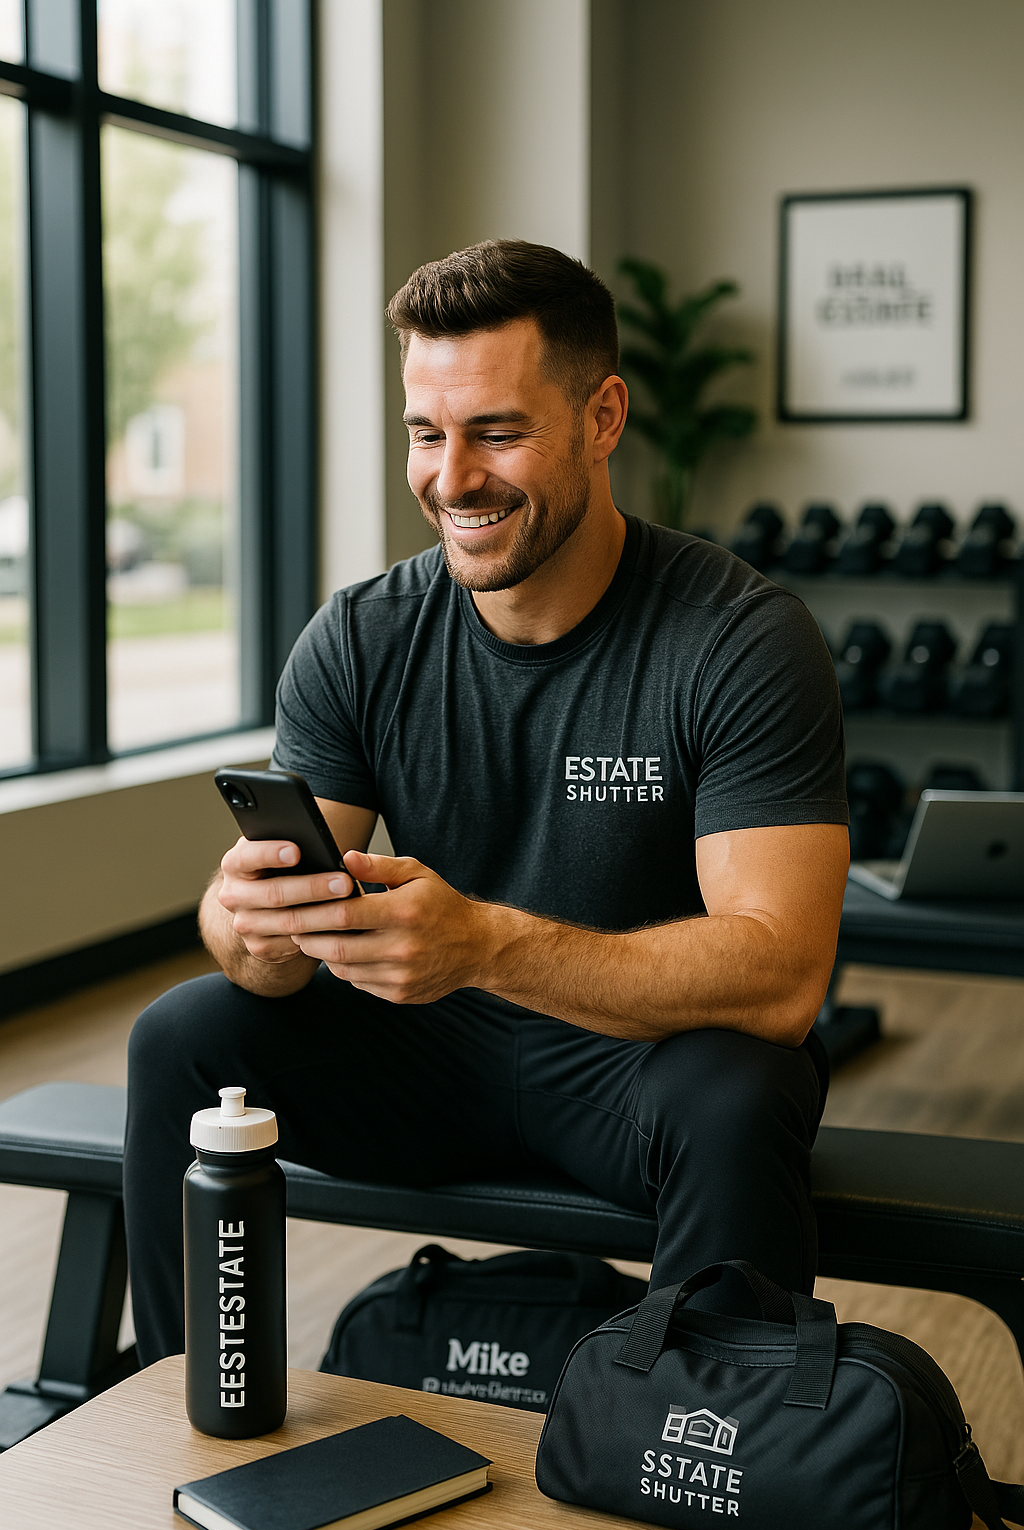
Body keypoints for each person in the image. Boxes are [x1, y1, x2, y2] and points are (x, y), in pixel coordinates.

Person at [124, 240, 848, 1366]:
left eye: (497, 433)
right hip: (430, 1054)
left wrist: (485, 945)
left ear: (602, 417)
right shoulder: (360, 635)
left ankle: (707, 1458)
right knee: (183, 1034)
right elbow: (268, 939)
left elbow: (783, 975)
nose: (451, 478)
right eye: (426, 433)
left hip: (639, 1066)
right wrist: (252, 928)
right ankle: (181, 1405)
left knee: (741, 1091)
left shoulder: (738, 638)